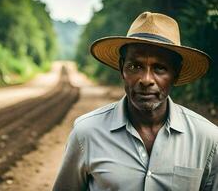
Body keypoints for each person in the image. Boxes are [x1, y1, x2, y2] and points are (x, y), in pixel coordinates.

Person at [53, 12, 218, 190]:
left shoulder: (208, 139)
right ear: (121, 68)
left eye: (159, 68)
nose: (146, 79)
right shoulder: (87, 133)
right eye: (135, 66)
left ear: (175, 74)